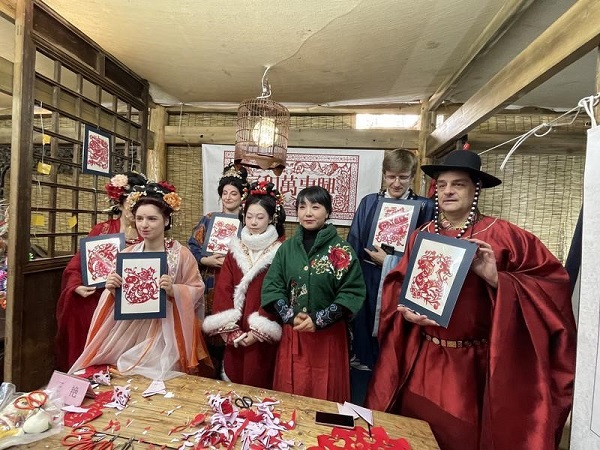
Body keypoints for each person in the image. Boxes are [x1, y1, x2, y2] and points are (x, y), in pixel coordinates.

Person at [366, 150, 576, 450]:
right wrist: (405, 311)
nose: (448, 191)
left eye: (458, 184)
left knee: (462, 436)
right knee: (414, 433)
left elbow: (552, 288)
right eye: (442, 185)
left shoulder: (506, 237)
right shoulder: (421, 235)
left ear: (475, 189)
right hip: (423, 355)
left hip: (473, 365)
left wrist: (497, 279)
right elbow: (400, 283)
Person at [70, 181, 212, 380]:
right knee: (122, 374)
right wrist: (113, 289)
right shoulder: (127, 254)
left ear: (166, 220)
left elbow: (196, 288)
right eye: (139, 218)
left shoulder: (180, 255)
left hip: (167, 331)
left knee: (159, 378)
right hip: (129, 329)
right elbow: (120, 299)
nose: (144, 224)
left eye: (152, 219)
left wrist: (175, 290)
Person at [261, 186, 366, 402]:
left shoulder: (342, 250)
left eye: (315, 207)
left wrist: (319, 319)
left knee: (326, 397)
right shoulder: (286, 248)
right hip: (294, 331)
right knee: (290, 395)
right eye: (302, 207)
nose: (308, 213)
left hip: (328, 337)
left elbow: (351, 292)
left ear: (328, 212)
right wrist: (290, 315)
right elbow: (272, 286)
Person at [348, 148, 435, 373]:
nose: (396, 183)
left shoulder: (425, 206)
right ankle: (364, 365)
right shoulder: (369, 202)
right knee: (364, 320)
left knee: (395, 326)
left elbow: (426, 251)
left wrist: (391, 261)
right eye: (391, 176)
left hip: (401, 278)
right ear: (384, 175)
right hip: (367, 274)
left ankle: (391, 370)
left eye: (403, 177)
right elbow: (355, 240)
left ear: (412, 176)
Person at [55, 171, 148, 372]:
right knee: (82, 308)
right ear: (120, 203)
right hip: (100, 297)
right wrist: (76, 286)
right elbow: (77, 264)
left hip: (132, 300)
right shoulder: (103, 230)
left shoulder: (148, 233)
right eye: (130, 203)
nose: (134, 210)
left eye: (138, 204)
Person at [203, 180, 286, 389]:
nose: (253, 222)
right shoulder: (236, 248)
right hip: (237, 326)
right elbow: (224, 288)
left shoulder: (282, 250)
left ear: (271, 218)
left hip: (264, 321)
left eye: (260, 217)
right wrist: (230, 329)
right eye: (249, 216)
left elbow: (280, 290)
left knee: (262, 375)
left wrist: (260, 329)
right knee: (236, 376)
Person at [188, 163, 248, 375]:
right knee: (207, 322)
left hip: (236, 280)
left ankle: (230, 371)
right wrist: (206, 260)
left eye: (234, 193)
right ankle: (208, 372)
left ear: (242, 196)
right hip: (210, 278)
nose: (228, 197)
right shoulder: (209, 219)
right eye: (225, 193)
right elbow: (192, 246)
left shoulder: (247, 221)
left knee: (232, 320)